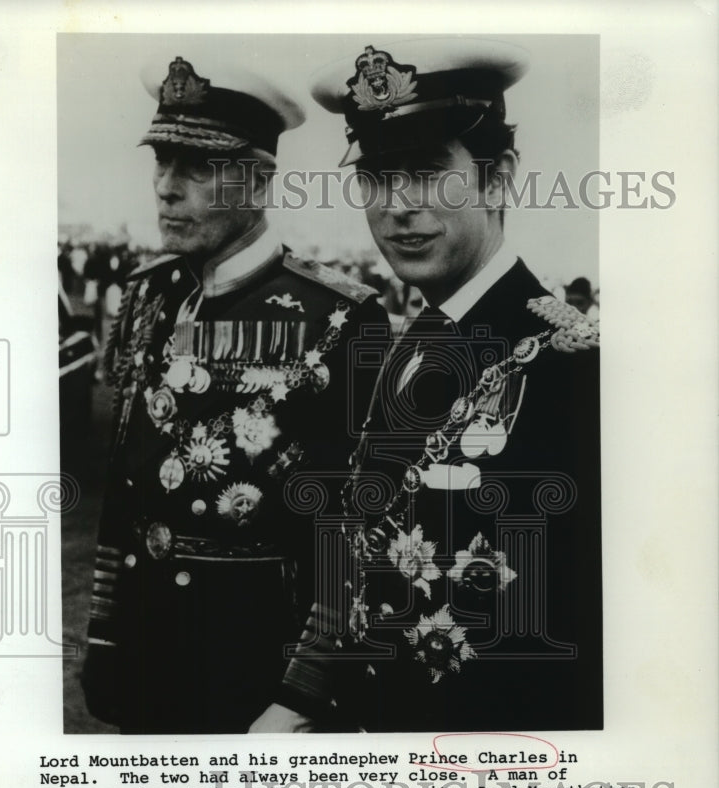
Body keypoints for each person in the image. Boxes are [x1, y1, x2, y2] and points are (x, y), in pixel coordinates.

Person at [253, 38, 602, 733]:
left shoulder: (570, 366)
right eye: (378, 177)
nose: (398, 206)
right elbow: (361, 555)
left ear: (496, 178)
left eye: (425, 173)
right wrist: (299, 700)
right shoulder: (408, 348)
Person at [81, 52, 388, 734]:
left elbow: (352, 523)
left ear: (255, 181)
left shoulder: (335, 314)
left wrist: (305, 689)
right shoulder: (148, 295)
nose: (166, 187)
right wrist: (104, 632)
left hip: (253, 668)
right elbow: (124, 485)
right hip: (143, 648)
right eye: (161, 162)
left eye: (195, 167)